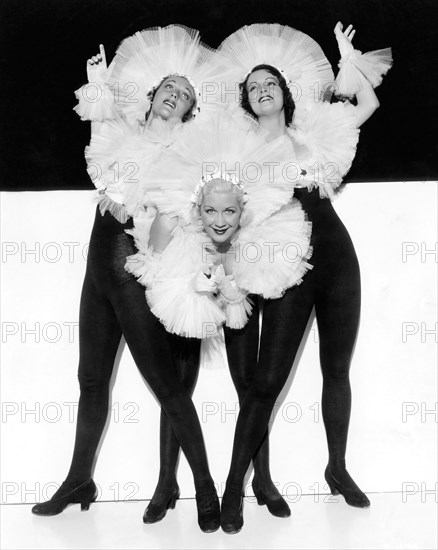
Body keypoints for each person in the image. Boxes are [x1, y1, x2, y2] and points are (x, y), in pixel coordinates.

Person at [31, 25, 223, 533]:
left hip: (128, 260)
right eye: (169, 89)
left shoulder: (186, 151)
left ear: (189, 111)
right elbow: (98, 142)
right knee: (90, 378)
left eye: (184, 96)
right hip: (98, 258)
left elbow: (183, 211)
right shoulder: (121, 132)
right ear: (154, 94)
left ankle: (205, 488)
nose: (174, 97)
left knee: (166, 385)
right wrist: (96, 84)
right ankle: (78, 479)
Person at [215, 22, 392, 533]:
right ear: (248, 102)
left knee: (337, 369)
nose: (262, 89)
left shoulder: (314, 132)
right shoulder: (241, 152)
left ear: (285, 92)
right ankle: (235, 486)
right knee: (268, 381)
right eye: (253, 87)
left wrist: (348, 61)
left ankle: (337, 468)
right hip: (287, 265)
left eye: (270, 82)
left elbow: (366, 107)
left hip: (337, 258)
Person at [125, 112, 313, 522]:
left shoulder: (257, 234)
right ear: (199, 208)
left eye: (229, 212)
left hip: (235, 294)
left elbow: (244, 305)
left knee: (250, 383)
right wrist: (189, 269)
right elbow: (152, 263)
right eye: (211, 211)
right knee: (177, 386)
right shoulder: (182, 224)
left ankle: (253, 483)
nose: (220, 221)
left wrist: (230, 290)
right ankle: (169, 484)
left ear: (242, 211)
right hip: (190, 293)